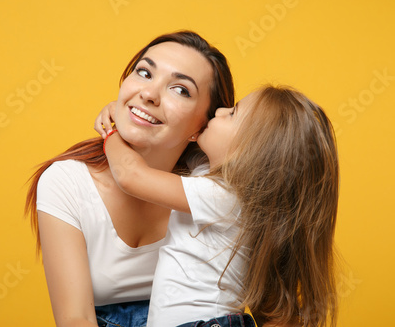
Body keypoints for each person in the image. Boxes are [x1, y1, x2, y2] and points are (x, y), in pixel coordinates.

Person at [25, 30, 236, 327]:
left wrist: (113, 132)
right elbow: (75, 318)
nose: (149, 94)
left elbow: (276, 304)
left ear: (202, 126)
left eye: (180, 90)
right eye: (144, 72)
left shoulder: (213, 185)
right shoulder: (66, 182)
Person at [99, 85, 339, 327]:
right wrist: (134, 117)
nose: (220, 110)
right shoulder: (206, 171)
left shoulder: (226, 197)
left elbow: (131, 175)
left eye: (233, 113)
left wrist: (113, 131)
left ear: (251, 152)